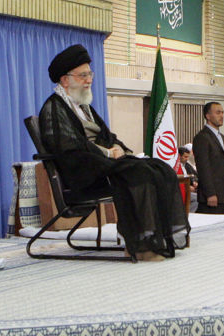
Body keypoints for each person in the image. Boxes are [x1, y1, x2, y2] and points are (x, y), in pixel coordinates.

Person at [36, 44, 188, 261]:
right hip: (82, 174)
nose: (89, 80)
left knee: (159, 168)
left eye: (90, 74)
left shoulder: (82, 106)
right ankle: (140, 245)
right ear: (65, 80)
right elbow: (70, 147)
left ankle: (160, 238)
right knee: (140, 174)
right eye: (82, 75)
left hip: (99, 164)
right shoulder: (53, 108)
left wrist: (119, 148)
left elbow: (106, 135)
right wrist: (108, 155)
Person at [192, 101, 224, 214]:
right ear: (208, 116)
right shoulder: (202, 137)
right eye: (218, 113)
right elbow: (203, 168)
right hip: (212, 196)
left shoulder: (223, 138)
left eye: (222, 112)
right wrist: (210, 193)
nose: (221, 116)